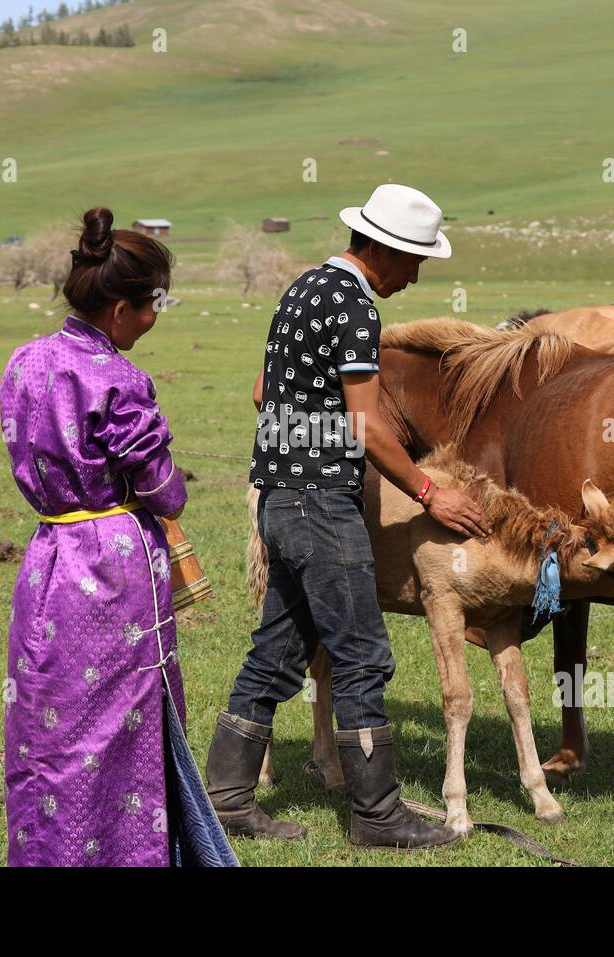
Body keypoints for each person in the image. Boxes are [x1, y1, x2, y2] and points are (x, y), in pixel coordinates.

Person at [205, 184, 491, 850]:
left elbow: (260, 390)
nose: (417, 274)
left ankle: (227, 797)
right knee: (363, 652)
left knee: (277, 652)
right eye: (416, 259)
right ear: (384, 250)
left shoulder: (301, 289)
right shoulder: (356, 308)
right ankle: (378, 814)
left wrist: (305, 430)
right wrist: (429, 491)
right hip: (321, 505)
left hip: (277, 497)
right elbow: (365, 424)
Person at [0, 207, 234, 867]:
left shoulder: (23, 362)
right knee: (120, 729)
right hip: (111, 570)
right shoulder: (119, 379)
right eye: (153, 306)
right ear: (121, 309)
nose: (156, 320)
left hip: (48, 561)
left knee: (49, 723)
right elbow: (167, 491)